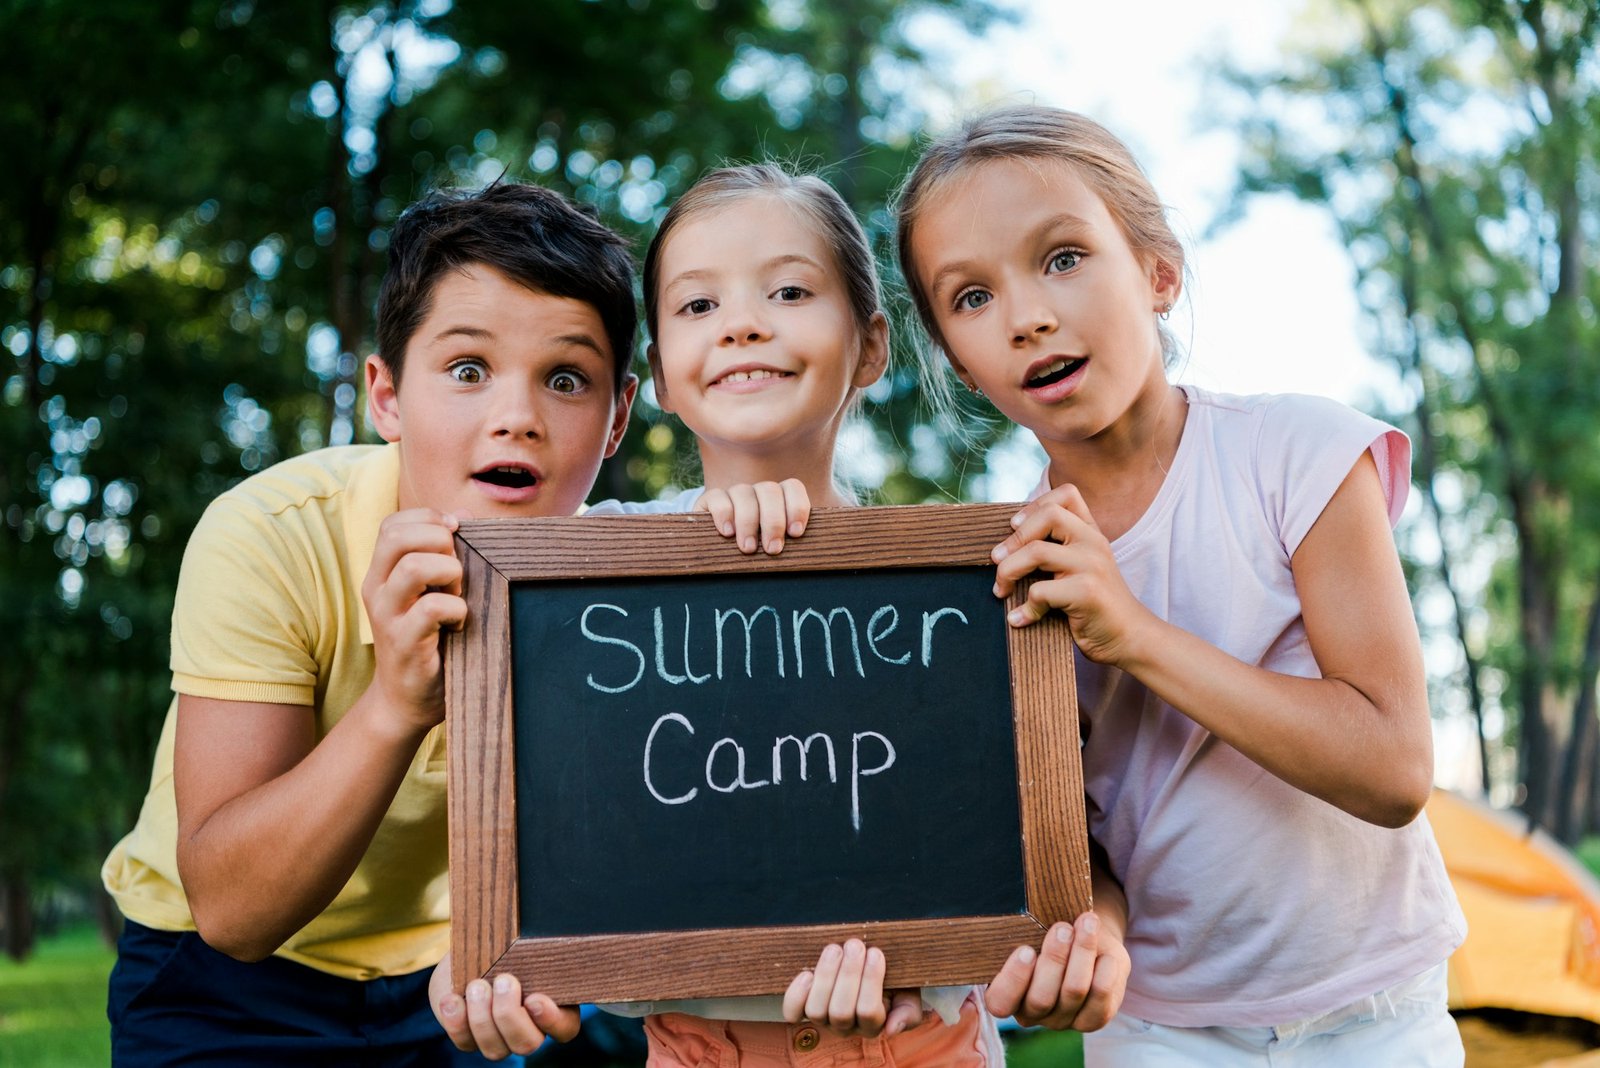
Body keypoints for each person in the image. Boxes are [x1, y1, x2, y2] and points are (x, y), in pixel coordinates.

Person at [432, 162, 1117, 1066]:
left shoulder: (960, 591)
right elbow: (538, 828)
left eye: (789, 291)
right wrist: (478, 961)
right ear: (660, 379)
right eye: (698, 305)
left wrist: (1081, 943)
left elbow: (1050, 836)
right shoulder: (578, 583)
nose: (743, 324)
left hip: (925, 1046)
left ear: (870, 345)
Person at [894, 103, 1469, 1064]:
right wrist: (1095, 931)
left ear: (1158, 272)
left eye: (1063, 257)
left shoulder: (1298, 454)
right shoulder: (1001, 570)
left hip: (1376, 1017)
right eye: (973, 296)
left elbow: (1394, 771)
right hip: (1158, 1030)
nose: (1028, 317)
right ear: (958, 357)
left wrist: (1134, 634)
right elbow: (1081, 836)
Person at [101, 180, 639, 1065]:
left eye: (566, 379)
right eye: (467, 370)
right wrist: (396, 703)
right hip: (219, 979)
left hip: (453, 969)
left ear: (617, 417)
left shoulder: (625, 598)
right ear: (386, 397)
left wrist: (531, 944)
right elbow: (233, 914)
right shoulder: (268, 536)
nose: (517, 418)